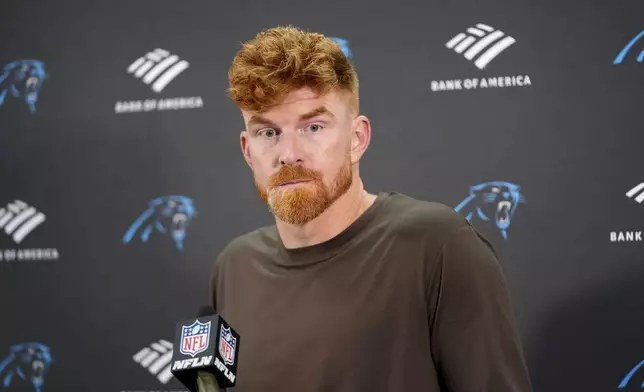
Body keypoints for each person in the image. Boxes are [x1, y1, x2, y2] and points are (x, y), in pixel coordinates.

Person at [209, 25, 533, 392]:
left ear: (357, 138)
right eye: (268, 133)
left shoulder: (438, 246)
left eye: (313, 127)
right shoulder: (233, 267)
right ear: (247, 150)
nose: (288, 154)